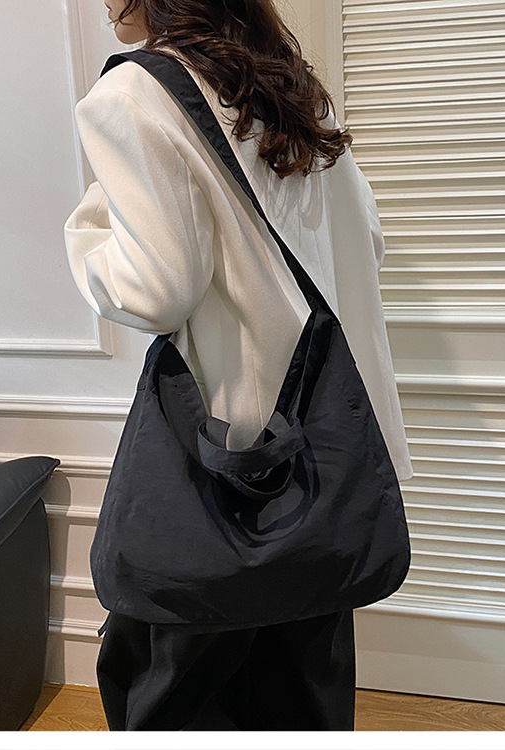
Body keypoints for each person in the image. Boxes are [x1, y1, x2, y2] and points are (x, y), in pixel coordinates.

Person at [64, 0, 413, 731]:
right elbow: (368, 240)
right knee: (303, 692)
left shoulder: (133, 92)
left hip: (229, 465)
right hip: (329, 455)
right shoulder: (287, 85)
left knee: (184, 696)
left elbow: (154, 290)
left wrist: (90, 225)